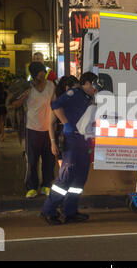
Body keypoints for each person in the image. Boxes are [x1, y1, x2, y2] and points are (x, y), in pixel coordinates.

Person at [40, 72, 98, 225]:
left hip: (84, 140)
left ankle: (70, 211)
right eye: (93, 85)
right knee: (66, 177)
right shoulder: (74, 93)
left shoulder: (87, 98)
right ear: (85, 83)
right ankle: (48, 211)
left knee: (80, 178)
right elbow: (55, 105)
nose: (95, 89)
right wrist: (66, 123)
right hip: (72, 140)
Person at [12, 62, 55, 198]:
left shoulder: (51, 86)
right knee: (32, 161)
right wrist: (24, 95)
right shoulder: (27, 87)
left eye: (44, 71)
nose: (44, 74)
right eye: (41, 72)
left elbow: (55, 103)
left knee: (49, 160)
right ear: (35, 74)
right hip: (32, 128)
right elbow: (14, 104)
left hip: (48, 129)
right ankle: (31, 188)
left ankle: (46, 185)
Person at [50, 75, 80, 167]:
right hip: (63, 138)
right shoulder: (58, 102)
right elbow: (50, 124)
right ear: (67, 88)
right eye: (76, 89)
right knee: (65, 168)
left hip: (75, 137)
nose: (77, 92)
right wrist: (53, 143)